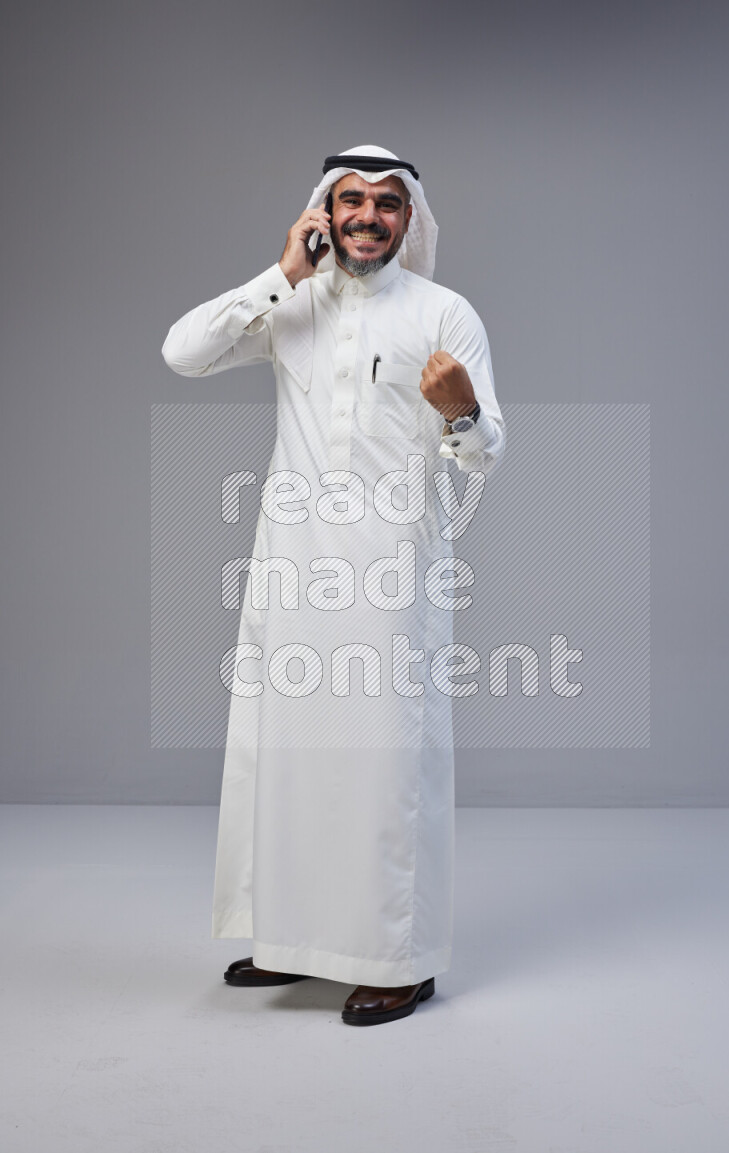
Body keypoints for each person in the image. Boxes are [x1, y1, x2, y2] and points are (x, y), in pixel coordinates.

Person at [161, 145, 505, 1026]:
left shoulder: (444, 312)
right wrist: (280, 271)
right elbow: (182, 353)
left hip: (391, 574)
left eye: (387, 204)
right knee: (290, 757)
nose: (367, 217)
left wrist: (460, 408)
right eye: (350, 200)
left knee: (385, 765)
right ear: (323, 210)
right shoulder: (295, 303)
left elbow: (485, 453)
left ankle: (399, 958)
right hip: (292, 567)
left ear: (411, 219)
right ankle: (294, 940)